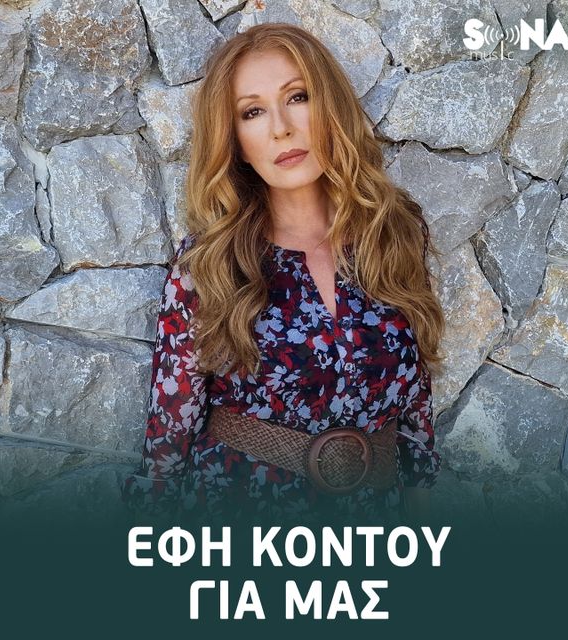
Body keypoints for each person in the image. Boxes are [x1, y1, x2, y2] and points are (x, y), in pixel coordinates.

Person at [121, 22, 446, 527]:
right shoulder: (210, 263)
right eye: (252, 112)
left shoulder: (394, 233)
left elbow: (415, 409)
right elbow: (170, 433)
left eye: (297, 97)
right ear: (234, 140)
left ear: (330, 105)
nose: (281, 128)